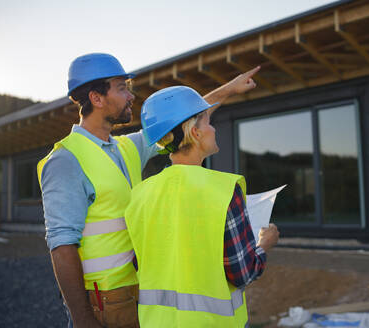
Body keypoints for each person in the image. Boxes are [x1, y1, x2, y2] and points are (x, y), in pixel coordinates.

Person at [37, 53, 260, 328]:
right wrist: (82, 318)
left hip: (140, 292)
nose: (131, 96)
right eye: (122, 88)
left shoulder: (127, 148)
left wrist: (229, 89)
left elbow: (182, 123)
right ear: (96, 98)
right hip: (105, 300)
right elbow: (61, 245)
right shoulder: (65, 160)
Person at [124, 86, 280, 327]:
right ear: (195, 133)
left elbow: (141, 263)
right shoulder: (224, 189)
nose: (214, 128)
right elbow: (243, 273)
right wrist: (264, 245)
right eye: (209, 122)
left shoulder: (140, 194)